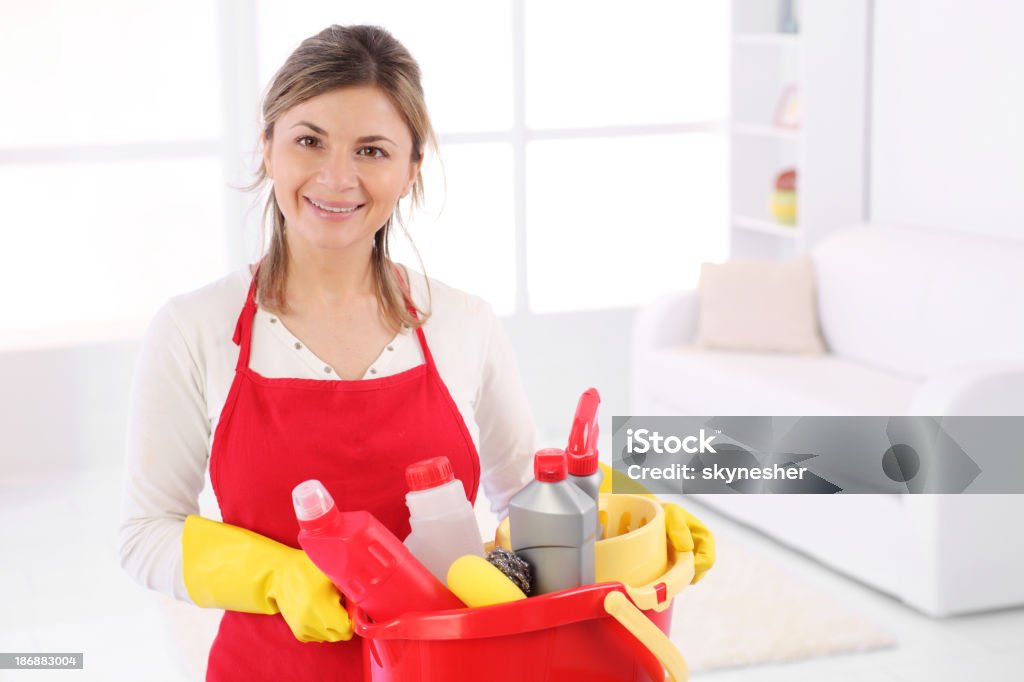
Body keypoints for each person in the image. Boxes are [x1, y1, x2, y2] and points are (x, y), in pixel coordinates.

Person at [119, 24, 713, 681]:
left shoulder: (463, 322)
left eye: (372, 150)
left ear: (411, 171)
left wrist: (631, 522)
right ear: (267, 147)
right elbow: (146, 534)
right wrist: (277, 577)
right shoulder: (192, 329)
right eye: (309, 140)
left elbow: (524, 489)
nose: (337, 177)